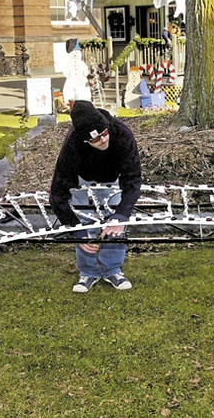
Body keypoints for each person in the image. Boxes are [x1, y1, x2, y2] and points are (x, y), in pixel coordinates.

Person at [49, 100, 142, 293]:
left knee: (114, 225)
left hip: (114, 181)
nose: (103, 139)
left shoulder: (122, 134)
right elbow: (57, 194)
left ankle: (113, 270)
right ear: (84, 140)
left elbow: (133, 180)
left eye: (104, 133)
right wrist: (78, 232)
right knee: (86, 221)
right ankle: (88, 272)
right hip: (84, 182)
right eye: (96, 139)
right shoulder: (72, 146)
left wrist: (121, 216)